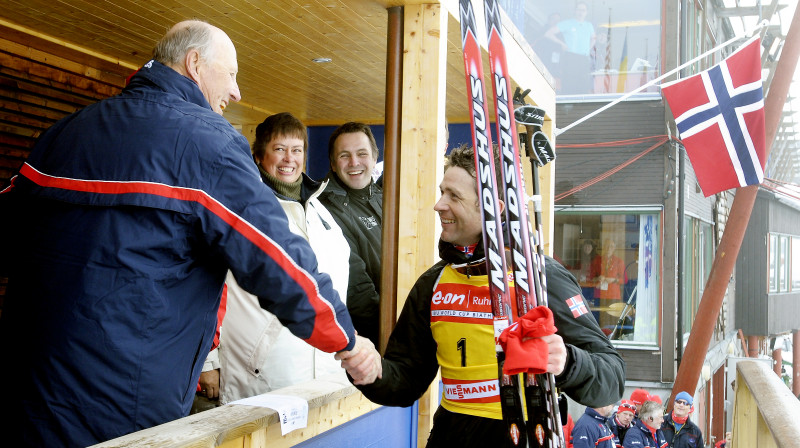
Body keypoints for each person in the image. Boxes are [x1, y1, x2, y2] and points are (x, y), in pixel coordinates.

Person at [0, 20, 380, 447]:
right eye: (232, 74)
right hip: (127, 408)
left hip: (27, 392)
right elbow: (277, 259)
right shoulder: (210, 145)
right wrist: (345, 340)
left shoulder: (65, 131)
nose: (237, 92)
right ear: (195, 63)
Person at [345, 144, 625, 447]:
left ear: (493, 209)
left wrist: (569, 361)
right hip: (450, 437)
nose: (439, 205)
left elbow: (611, 379)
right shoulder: (434, 282)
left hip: (524, 435)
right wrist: (372, 372)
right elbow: (406, 379)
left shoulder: (541, 278)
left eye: (454, 196)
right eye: (442, 192)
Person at [205, 112, 353, 404]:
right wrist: (209, 361)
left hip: (322, 370)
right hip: (261, 376)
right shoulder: (242, 208)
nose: (289, 159)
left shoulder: (321, 211)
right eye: (279, 149)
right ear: (259, 156)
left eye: (296, 150)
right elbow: (210, 284)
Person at [318, 122, 382, 346]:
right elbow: (358, 293)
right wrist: (396, 331)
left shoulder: (388, 197)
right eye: (345, 155)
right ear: (333, 164)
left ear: (374, 158)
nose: (354, 163)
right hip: (368, 341)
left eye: (362, 154)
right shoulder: (323, 209)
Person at [544, 2, 596, 94]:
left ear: (586, 12)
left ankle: (580, 106)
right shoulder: (568, 23)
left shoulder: (589, 25)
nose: (581, 12)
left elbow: (594, 38)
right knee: (569, 83)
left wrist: (588, 48)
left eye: (583, 10)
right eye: (579, 10)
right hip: (570, 57)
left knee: (583, 84)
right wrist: (562, 44)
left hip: (584, 58)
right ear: (575, 11)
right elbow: (548, 34)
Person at [590, 238, 626, 328]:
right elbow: (591, 278)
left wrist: (613, 280)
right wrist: (598, 278)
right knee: (599, 319)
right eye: (607, 246)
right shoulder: (597, 260)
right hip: (600, 294)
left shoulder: (619, 261)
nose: (609, 248)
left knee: (612, 319)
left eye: (611, 246)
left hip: (613, 295)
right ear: (603, 248)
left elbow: (625, 280)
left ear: (614, 248)